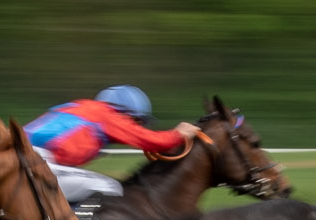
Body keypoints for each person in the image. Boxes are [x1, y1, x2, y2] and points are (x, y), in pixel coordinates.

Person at [23, 86, 202, 204]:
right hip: (34, 162)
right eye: (137, 121)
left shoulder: (82, 107)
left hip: (23, 159)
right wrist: (179, 133)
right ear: (124, 112)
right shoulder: (106, 115)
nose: (136, 127)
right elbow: (152, 140)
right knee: (111, 188)